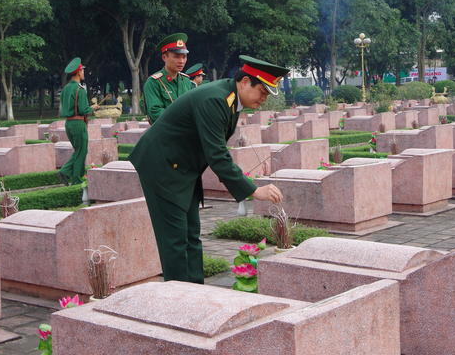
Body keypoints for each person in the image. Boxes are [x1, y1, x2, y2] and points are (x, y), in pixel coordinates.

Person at [129, 55, 287, 284]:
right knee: (174, 239)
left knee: (191, 234)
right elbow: (217, 155)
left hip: (184, 167)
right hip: (162, 166)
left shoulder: (230, 98)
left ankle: (195, 291)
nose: (264, 98)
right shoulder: (216, 99)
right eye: (262, 91)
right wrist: (253, 190)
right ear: (244, 82)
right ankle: (178, 297)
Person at [58, 58, 99, 185]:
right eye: (82, 70)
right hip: (78, 123)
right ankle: (67, 173)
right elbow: (83, 110)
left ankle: (77, 177)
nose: (83, 73)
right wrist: (92, 108)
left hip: (68, 124)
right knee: (81, 151)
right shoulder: (80, 89)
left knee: (79, 150)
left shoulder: (65, 89)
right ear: (77, 72)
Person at [143, 33, 193, 124]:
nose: (181, 61)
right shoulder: (154, 82)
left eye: (184, 57)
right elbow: (155, 113)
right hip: (165, 134)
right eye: (176, 57)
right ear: (164, 57)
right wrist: (182, 118)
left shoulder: (186, 81)